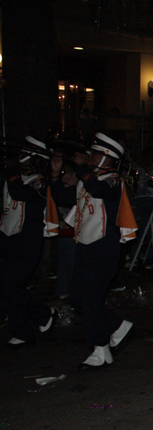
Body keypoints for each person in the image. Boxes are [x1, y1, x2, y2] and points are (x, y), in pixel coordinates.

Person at [50, 133, 136, 369]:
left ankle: (100, 349)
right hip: (85, 245)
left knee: (89, 299)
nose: (89, 156)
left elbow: (98, 190)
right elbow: (61, 196)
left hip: (104, 248)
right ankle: (117, 327)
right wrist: (55, 174)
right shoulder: (87, 180)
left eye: (95, 153)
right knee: (78, 298)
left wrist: (81, 168)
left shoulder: (113, 180)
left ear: (107, 158)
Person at [0, 136, 58, 347]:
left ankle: (44, 314)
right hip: (7, 237)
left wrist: (12, 171)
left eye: (26, 154)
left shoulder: (39, 180)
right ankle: (22, 331)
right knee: (7, 286)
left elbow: (19, 193)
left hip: (27, 241)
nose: (20, 157)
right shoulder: (14, 176)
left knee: (10, 284)